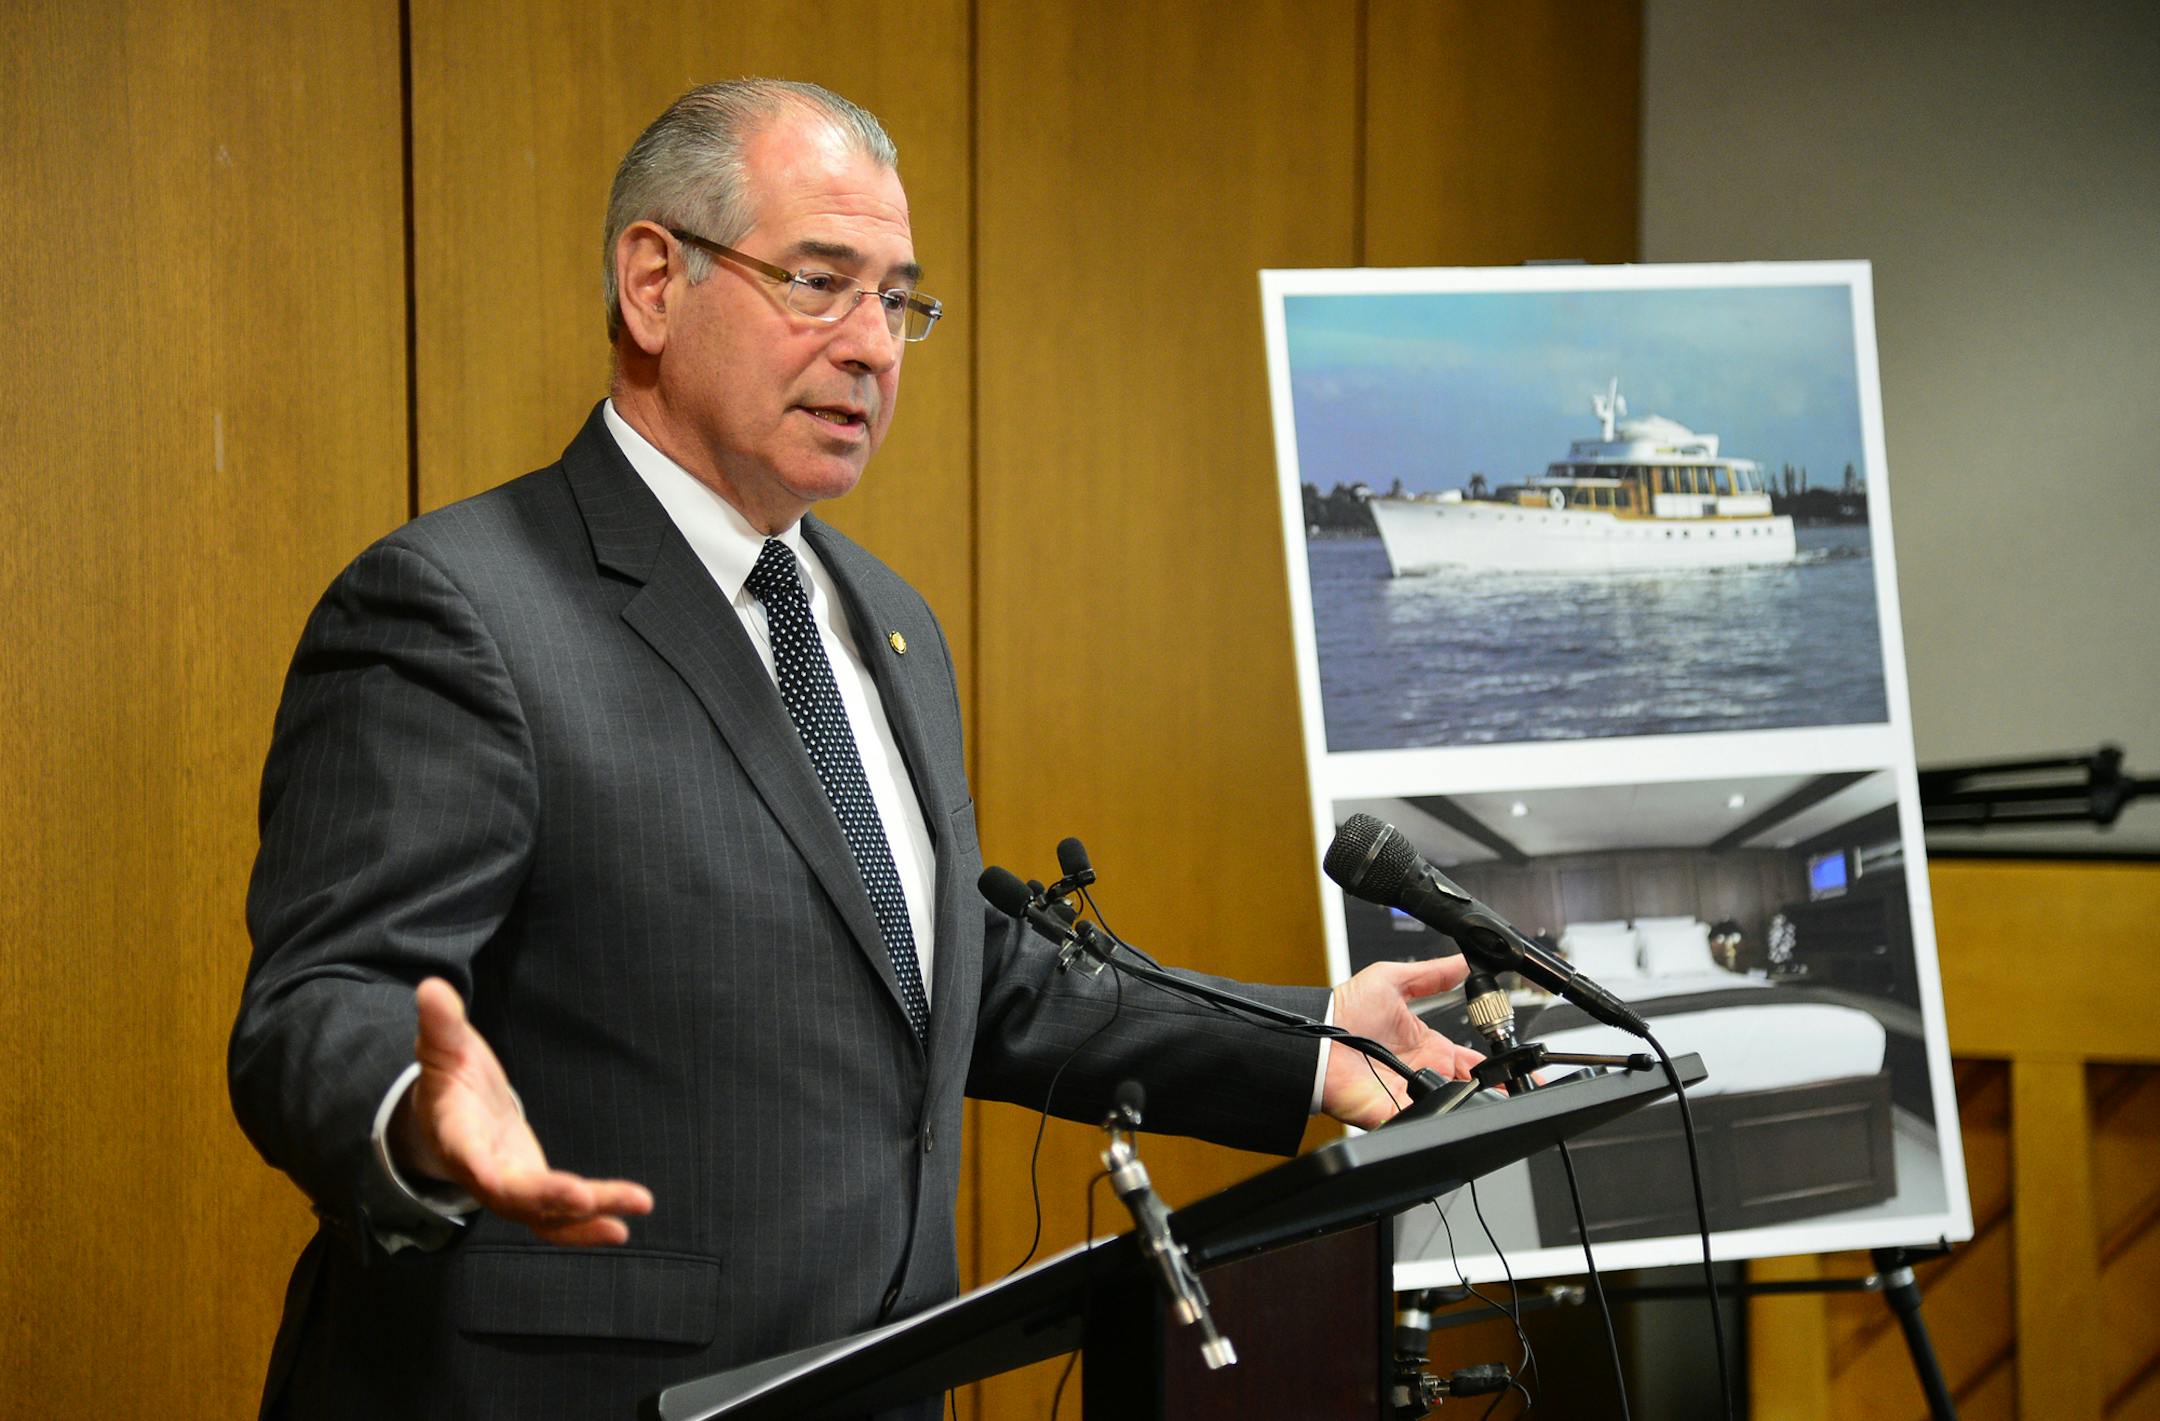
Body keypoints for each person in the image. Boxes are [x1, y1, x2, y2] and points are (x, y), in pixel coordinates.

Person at [229, 78, 1477, 1420]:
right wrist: (415, 1111)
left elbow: (954, 975)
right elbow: (324, 1002)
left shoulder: (880, 619)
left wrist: (1306, 1040)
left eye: (898, 301)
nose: (874, 346)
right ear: (653, 282)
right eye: (821, 283)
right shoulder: (458, 610)